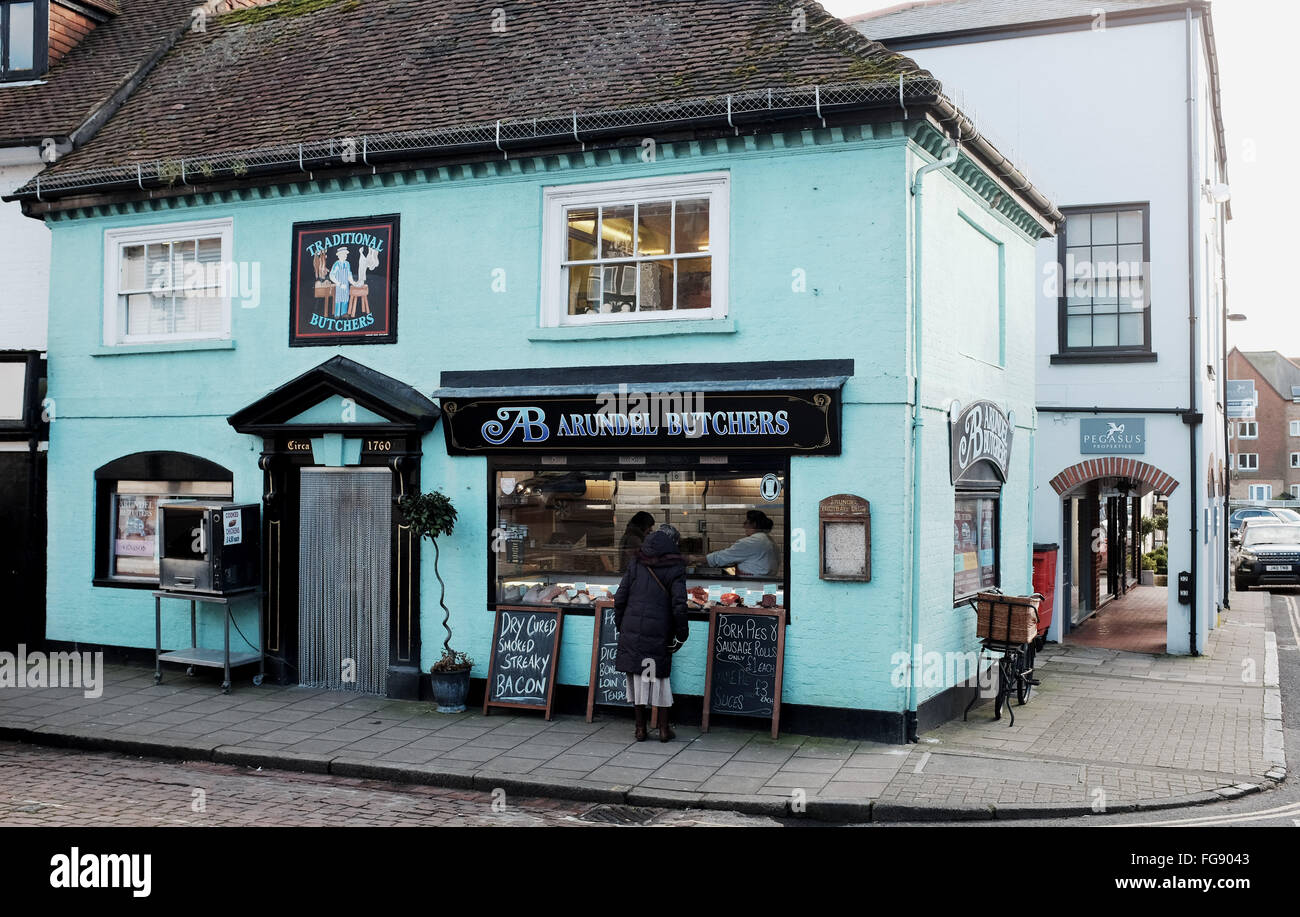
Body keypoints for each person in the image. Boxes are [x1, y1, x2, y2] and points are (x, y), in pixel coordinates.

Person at [614, 525, 689, 742]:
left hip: (633, 627)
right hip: (660, 630)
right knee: (659, 678)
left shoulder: (637, 561)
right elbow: (679, 605)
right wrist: (682, 634)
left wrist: (622, 626)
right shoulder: (675, 567)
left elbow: (620, 598)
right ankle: (664, 729)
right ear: (673, 544)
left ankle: (640, 729)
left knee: (638, 676)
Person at [704, 510, 779, 576]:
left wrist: (697, 559)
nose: (743, 526)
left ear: (754, 524)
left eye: (746, 522)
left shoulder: (751, 542)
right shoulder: (769, 541)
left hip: (752, 584)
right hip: (765, 582)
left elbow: (723, 557)